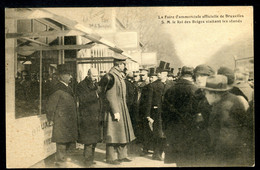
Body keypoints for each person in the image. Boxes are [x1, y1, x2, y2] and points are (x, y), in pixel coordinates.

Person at [201, 75, 250, 166]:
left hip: (226, 159)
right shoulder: (230, 98)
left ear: (214, 94)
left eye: (206, 93)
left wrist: (214, 160)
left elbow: (226, 139)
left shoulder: (224, 108)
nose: (205, 96)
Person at [99, 57, 136, 165]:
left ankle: (122, 155)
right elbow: (110, 96)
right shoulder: (111, 76)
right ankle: (110, 158)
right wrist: (115, 111)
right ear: (118, 64)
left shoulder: (118, 76)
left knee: (122, 133)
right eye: (123, 64)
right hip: (114, 109)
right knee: (112, 134)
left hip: (121, 107)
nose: (125, 66)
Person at [163, 66, 198, 166]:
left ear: (181, 74)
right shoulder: (195, 90)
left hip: (174, 131)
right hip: (190, 132)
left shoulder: (170, 90)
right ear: (192, 76)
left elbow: (164, 113)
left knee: (179, 161)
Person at [46, 64, 78, 167]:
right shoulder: (57, 88)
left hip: (67, 120)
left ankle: (64, 160)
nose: (71, 77)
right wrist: (50, 118)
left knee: (66, 141)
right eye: (69, 75)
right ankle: (60, 162)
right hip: (61, 120)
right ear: (62, 76)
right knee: (61, 142)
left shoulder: (67, 87)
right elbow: (51, 106)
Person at [145, 67, 173, 160]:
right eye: (158, 72)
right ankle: (156, 154)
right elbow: (149, 101)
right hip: (157, 114)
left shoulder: (172, 84)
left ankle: (164, 153)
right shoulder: (153, 85)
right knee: (158, 134)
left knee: (166, 134)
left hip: (169, 114)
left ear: (166, 73)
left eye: (161, 72)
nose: (158, 74)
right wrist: (148, 115)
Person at [76, 68, 103, 166]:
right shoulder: (81, 85)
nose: (96, 78)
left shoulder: (95, 84)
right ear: (88, 75)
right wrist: (96, 93)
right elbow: (83, 99)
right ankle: (87, 161)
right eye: (94, 75)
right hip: (87, 117)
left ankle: (90, 159)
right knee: (89, 141)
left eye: (97, 76)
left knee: (94, 140)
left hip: (95, 116)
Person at [192, 64, 216, 165]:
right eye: (197, 76)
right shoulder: (197, 93)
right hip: (198, 138)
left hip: (212, 139)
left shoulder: (215, 93)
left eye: (202, 75)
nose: (199, 78)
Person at [138, 68, 154, 156]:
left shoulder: (149, 85)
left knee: (147, 131)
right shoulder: (141, 85)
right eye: (141, 75)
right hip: (142, 110)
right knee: (144, 131)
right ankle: (146, 148)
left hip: (148, 111)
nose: (141, 77)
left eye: (143, 75)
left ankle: (147, 148)